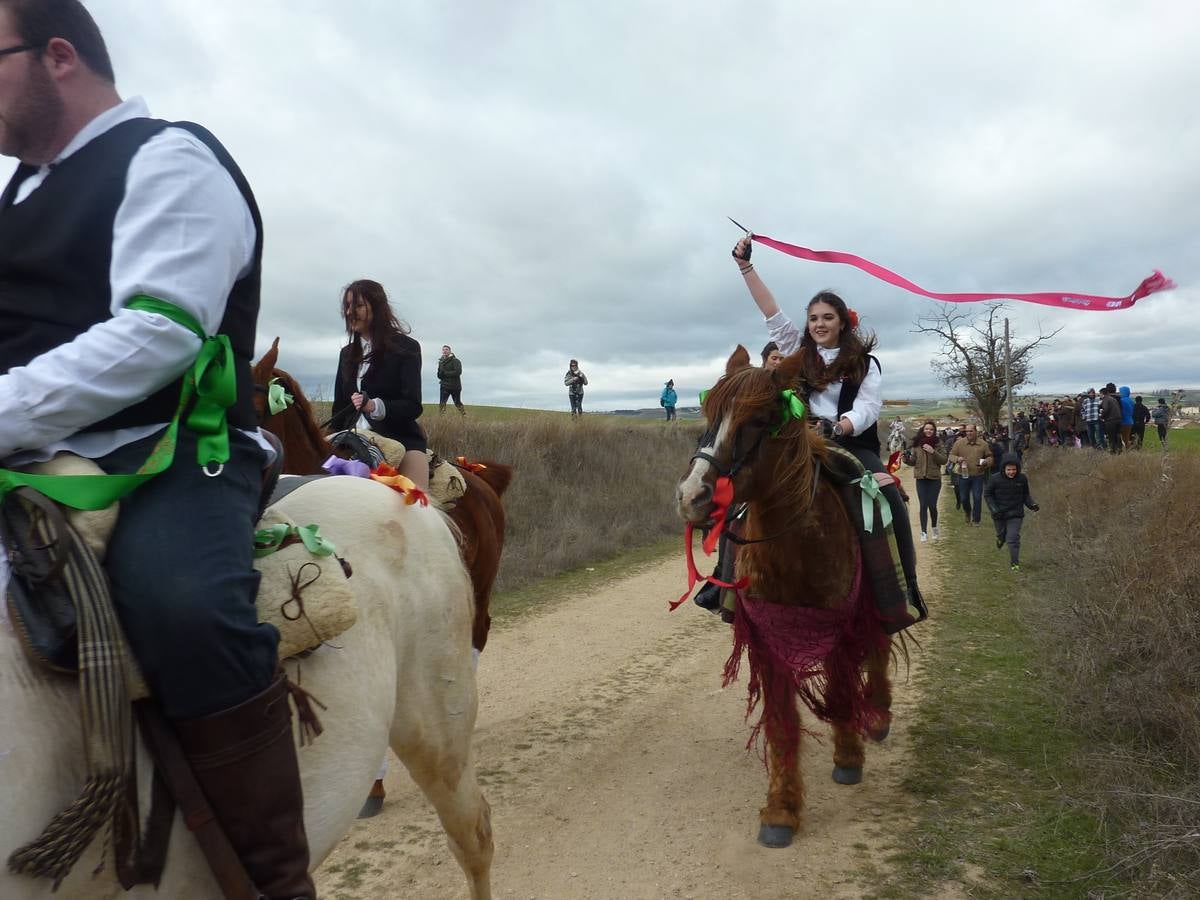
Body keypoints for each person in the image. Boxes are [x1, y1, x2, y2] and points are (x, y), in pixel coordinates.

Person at [0, 2, 312, 895]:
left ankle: (274, 880)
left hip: (173, 446)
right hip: (28, 444)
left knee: (184, 604)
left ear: (58, 56)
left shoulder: (170, 159)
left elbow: (159, 331)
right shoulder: (17, 196)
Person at [729, 233, 925, 609]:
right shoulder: (797, 351)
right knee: (745, 496)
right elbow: (771, 312)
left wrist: (838, 427)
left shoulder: (866, 364)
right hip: (801, 444)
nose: (819, 324)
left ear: (842, 323)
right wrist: (745, 266)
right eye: (814, 318)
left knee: (889, 499)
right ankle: (726, 590)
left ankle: (905, 590)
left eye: (827, 318)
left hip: (850, 445)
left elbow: (867, 408)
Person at [330, 279, 428, 490]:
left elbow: (412, 405)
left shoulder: (407, 348)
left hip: (400, 440)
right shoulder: (346, 354)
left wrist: (375, 406)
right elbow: (339, 408)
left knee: (416, 502)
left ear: (377, 308)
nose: (350, 312)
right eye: (347, 306)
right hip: (350, 439)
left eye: (358, 305)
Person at [984, 452, 1039, 571]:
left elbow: (1026, 495)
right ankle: (1000, 538)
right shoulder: (994, 479)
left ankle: (1015, 563)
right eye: (1008, 470)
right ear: (1003, 469)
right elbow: (988, 495)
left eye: (1014, 469)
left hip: (1016, 513)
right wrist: (994, 509)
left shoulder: (1022, 479)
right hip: (999, 513)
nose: (1011, 472)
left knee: (1012, 538)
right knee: (1001, 534)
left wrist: (1032, 505)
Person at [907, 419, 947, 542]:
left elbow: (944, 460)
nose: (928, 431)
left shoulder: (938, 443)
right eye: (926, 429)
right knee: (923, 505)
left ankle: (934, 528)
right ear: (923, 430)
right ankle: (923, 532)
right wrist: (906, 458)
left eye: (931, 429)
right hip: (921, 479)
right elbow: (913, 461)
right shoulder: (917, 444)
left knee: (932, 505)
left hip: (934, 479)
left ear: (934, 431)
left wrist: (933, 451)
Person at [949, 424, 994, 525]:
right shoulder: (959, 443)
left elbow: (990, 457)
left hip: (978, 475)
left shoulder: (983, 444)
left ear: (976, 432)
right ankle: (967, 512)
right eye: (967, 431)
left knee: (977, 498)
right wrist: (957, 459)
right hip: (963, 474)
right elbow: (951, 455)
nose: (968, 433)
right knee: (964, 498)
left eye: (971, 431)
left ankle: (976, 520)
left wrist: (986, 462)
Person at [436, 343, 466, 415]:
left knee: (457, 402)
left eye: (446, 349)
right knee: (442, 403)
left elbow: (458, 372)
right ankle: (441, 418)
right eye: (443, 350)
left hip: (455, 386)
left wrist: (445, 373)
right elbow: (439, 374)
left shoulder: (455, 361)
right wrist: (440, 374)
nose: (444, 351)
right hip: (444, 386)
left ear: (450, 351)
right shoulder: (441, 362)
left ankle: (464, 415)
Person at [1100, 383, 1122, 454]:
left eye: (1100, 394)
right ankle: (1119, 450)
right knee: (1118, 436)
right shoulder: (1114, 399)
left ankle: (1113, 451)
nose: (1100, 396)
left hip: (1111, 420)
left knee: (1111, 437)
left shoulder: (1106, 399)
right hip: (1119, 420)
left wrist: (1101, 416)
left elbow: (1105, 409)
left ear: (1103, 394)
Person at [1118, 386, 1134, 451]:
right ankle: (1128, 451)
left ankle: (1122, 451)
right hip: (1130, 421)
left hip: (1123, 421)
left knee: (1121, 438)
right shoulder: (1131, 401)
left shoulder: (1121, 401)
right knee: (1126, 438)